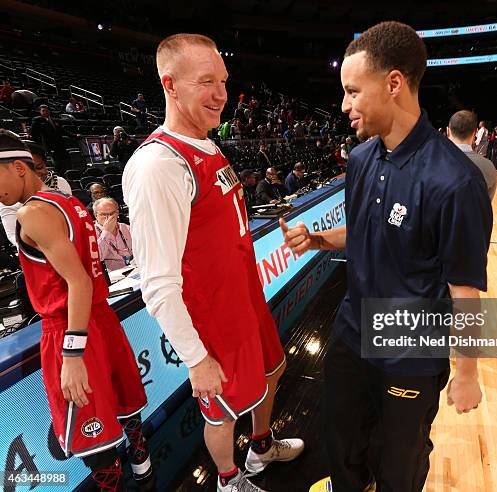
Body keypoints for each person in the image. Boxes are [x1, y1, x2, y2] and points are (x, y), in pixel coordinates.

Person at [280, 22, 492, 492]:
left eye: (353, 91)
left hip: (412, 344)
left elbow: (464, 292)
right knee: (341, 440)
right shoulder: (360, 160)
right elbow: (364, 229)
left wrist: (467, 372)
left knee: (399, 461)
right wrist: (317, 240)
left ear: (393, 83)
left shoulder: (454, 182)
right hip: (353, 328)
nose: (344, 105)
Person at [123, 33, 303, 492]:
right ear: (170, 85)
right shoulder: (158, 166)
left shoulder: (207, 142)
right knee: (221, 411)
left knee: (274, 369)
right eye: (206, 82)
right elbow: (158, 284)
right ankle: (228, 480)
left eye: (223, 80)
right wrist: (197, 357)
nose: (222, 94)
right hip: (213, 322)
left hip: (245, 301)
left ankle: (260, 450)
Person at [0, 130, 151, 491]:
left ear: (19, 167)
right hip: (102, 319)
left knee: (92, 436)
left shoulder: (33, 212)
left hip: (71, 326)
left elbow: (79, 283)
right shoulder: (71, 202)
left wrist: (72, 354)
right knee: (125, 401)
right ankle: (144, 468)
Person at [0, 141, 72, 247]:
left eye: (38, 167)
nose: (33, 174)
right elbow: (12, 236)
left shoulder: (61, 186)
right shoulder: (8, 199)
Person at [447, 110, 497, 200]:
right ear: (475, 132)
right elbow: (487, 203)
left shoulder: (433, 163)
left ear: (448, 131)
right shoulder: (489, 166)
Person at [29, 104, 77, 176]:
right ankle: (58, 176)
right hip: (49, 145)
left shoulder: (54, 120)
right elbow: (33, 132)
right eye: (43, 111)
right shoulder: (37, 120)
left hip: (60, 144)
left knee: (66, 161)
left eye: (46, 110)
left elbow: (62, 130)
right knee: (56, 162)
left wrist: (74, 135)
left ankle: (68, 175)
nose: (45, 112)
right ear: (40, 112)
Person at [93, 197, 133, 271]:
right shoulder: (91, 233)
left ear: (117, 213)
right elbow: (97, 257)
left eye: (112, 214)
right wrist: (106, 232)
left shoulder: (126, 228)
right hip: (112, 277)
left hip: (132, 270)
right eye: (104, 214)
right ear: (96, 215)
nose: (109, 218)